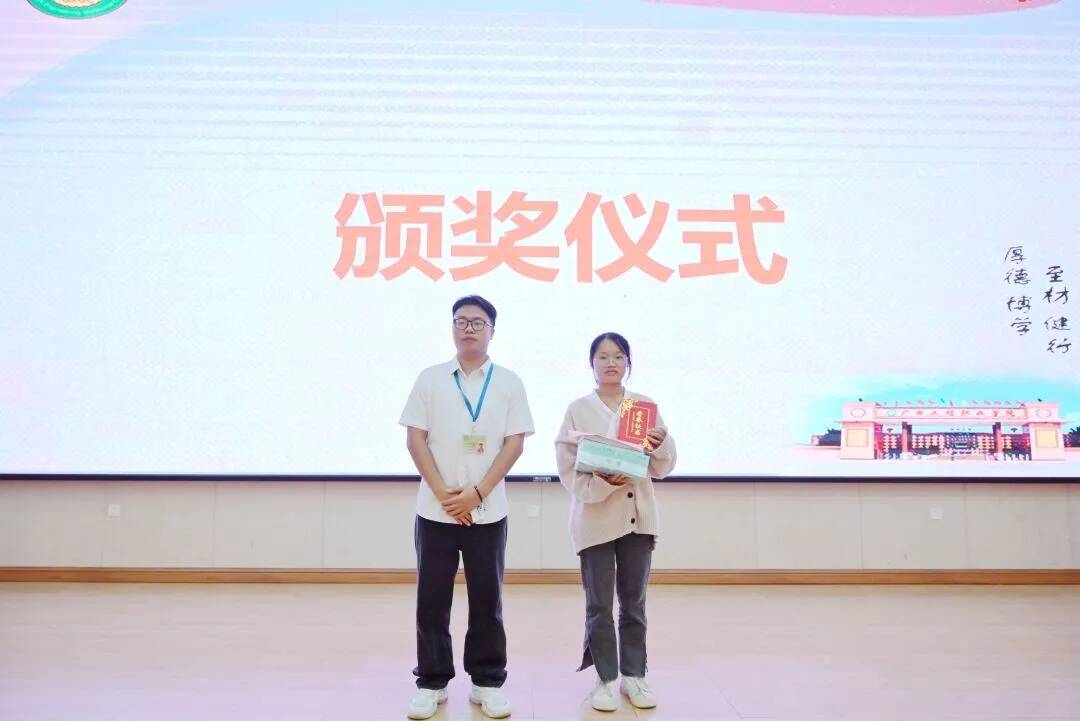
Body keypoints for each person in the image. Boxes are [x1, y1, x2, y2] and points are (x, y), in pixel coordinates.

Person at [399, 295, 534, 720]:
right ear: (452, 328)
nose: (469, 328)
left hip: (487, 512)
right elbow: (415, 439)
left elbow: (514, 443)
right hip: (434, 511)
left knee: (487, 600)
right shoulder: (431, 379)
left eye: (478, 322)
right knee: (431, 599)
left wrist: (477, 494)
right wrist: (444, 494)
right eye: (461, 321)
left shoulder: (509, 382)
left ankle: (486, 683)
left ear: (493, 330)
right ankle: (432, 683)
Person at [554, 331, 676, 712]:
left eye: (618, 356)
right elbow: (567, 469)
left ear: (628, 363)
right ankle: (605, 679)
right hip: (594, 519)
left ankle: (634, 676)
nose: (611, 362)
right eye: (603, 356)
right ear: (591, 364)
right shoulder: (578, 409)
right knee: (599, 605)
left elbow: (663, 466)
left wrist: (661, 442)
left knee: (634, 603)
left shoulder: (644, 407)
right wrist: (604, 482)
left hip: (638, 519)